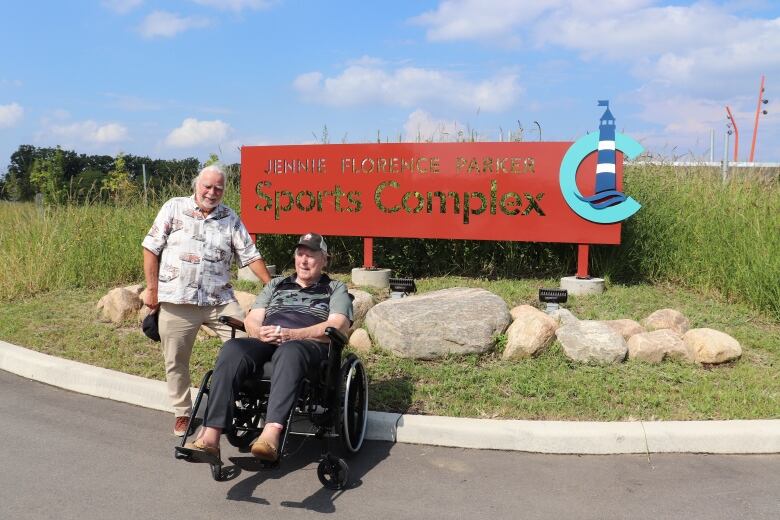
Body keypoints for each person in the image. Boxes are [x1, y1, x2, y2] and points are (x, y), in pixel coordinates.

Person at [180, 232, 352, 462]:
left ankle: (270, 434)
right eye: (300, 254)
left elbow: (338, 324)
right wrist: (259, 331)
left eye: (311, 256)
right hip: (267, 340)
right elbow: (253, 318)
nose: (304, 260)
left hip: (308, 346)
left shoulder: (335, 287)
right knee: (233, 348)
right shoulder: (277, 284)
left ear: (324, 260)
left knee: (290, 351)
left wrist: (293, 335)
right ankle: (211, 436)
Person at [142, 164, 272, 436]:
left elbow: (249, 254)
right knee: (175, 359)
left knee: (249, 345)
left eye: (218, 188)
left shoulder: (229, 217)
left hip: (219, 301)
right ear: (196, 186)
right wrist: (152, 290)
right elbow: (150, 248)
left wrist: (272, 285)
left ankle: (243, 402)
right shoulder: (173, 207)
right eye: (207, 186)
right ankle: (182, 413)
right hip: (178, 301)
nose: (212, 193)